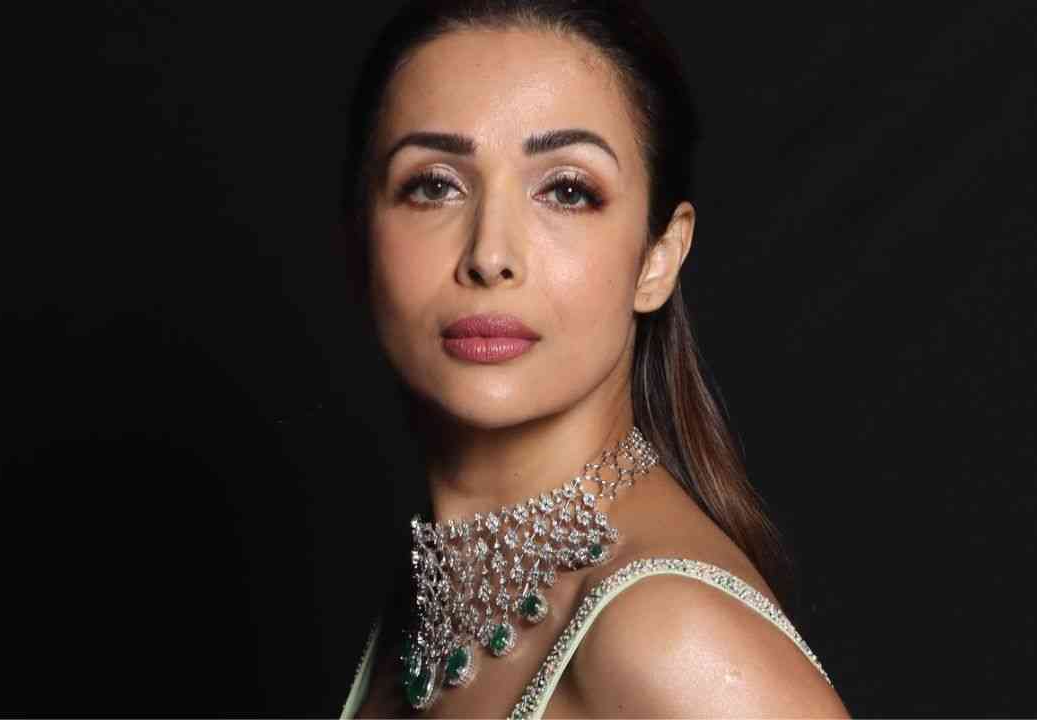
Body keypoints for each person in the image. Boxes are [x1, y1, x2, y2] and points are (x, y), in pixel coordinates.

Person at [335, 1, 851, 717]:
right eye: (434, 185)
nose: (490, 255)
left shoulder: (669, 637)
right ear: (358, 239)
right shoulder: (432, 602)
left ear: (658, 258)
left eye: (567, 191)